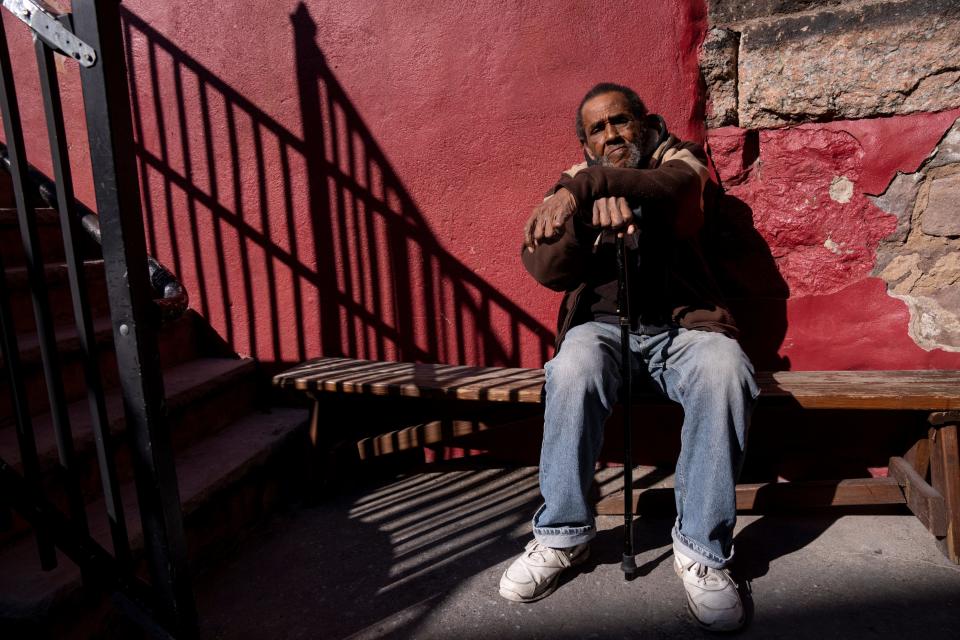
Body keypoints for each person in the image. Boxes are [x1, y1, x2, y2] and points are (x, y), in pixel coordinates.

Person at [498, 82, 759, 632]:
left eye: (620, 121)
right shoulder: (573, 184)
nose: (612, 134)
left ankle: (701, 552)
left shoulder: (678, 159)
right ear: (587, 142)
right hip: (603, 329)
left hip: (682, 328)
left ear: (643, 122)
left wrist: (586, 185)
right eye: (598, 129)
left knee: (725, 369)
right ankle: (563, 536)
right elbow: (545, 269)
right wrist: (588, 212)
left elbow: (678, 199)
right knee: (571, 367)